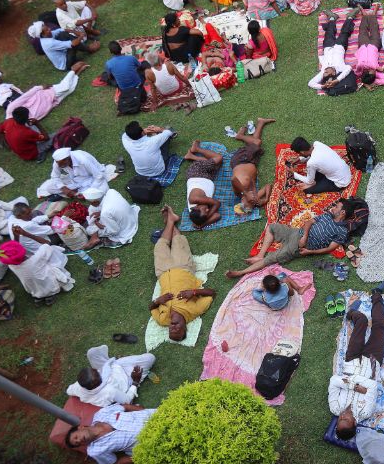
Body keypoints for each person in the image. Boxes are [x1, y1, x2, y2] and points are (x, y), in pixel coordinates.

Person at [329, 283, 384, 439]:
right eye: (346, 420)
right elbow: (372, 385)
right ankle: (377, 294)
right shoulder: (365, 412)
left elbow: (334, 381)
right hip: (372, 362)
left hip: (352, 360)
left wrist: (354, 386)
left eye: (339, 420)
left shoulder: (335, 408)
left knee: (361, 320)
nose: (342, 416)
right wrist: (353, 384)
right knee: (379, 327)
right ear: (354, 423)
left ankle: (350, 314)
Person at [227, 201, 351, 277]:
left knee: (271, 258)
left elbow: (329, 248)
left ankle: (241, 272)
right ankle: (260, 255)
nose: (333, 207)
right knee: (272, 227)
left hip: (298, 247)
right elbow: (308, 222)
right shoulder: (327, 215)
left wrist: (310, 252)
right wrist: (305, 235)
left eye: (337, 207)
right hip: (296, 232)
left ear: (343, 212)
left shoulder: (342, 231)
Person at [149, 206, 216, 341]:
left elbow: (151, 308)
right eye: (177, 331)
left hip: (162, 273)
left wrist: (158, 301)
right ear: (185, 327)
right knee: (178, 242)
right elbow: (212, 293)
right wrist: (194, 292)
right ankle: (170, 221)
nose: (172, 329)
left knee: (160, 245)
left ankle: (170, 220)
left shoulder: (163, 320)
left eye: (170, 332)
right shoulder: (195, 311)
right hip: (183, 268)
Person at [65, 403, 157, 464]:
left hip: (154, 416)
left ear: (80, 427)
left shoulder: (101, 414)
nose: (79, 440)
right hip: (152, 440)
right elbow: (115, 462)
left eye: (76, 437)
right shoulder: (95, 451)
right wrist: (139, 457)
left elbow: (124, 407)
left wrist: (142, 410)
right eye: (78, 443)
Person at [66, 345, 156, 407]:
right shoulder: (109, 392)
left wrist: (106, 368)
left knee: (91, 352)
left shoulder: (78, 387)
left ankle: (113, 361)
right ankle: (118, 362)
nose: (97, 371)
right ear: (94, 384)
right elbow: (127, 400)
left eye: (94, 370)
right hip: (127, 378)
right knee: (150, 358)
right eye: (97, 373)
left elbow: (69, 390)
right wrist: (135, 381)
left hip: (111, 368)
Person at [4, 62, 86, 123]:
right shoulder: (20, 123)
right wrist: (54, 104)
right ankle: (77, 73)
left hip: (43, 95)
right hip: (52, 102)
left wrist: (40, 87)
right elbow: (40, 116)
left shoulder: (10, 109)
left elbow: (25, 96)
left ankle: (73, 69)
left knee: (65, 87)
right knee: (70, 89)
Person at [0, 239, 74, 304]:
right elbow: (46, 244)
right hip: (49, 284)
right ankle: (50, 294)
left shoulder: (12, 266)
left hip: (33, 289)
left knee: (36, 279)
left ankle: (41, 297)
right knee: (52, 251)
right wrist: (26, 234)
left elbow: (14, 255)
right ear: (22, 250)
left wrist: (16, 237)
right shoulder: (35, 259)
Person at [230, 117, 275, 214]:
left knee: (257, 143)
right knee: (256, 143)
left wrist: (245, 193)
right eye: (253, 204)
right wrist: (266, 199)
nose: (253, 201)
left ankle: (240, 136)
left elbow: (233, 179)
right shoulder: (255, 197)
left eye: (250, 203)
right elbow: (268, 186)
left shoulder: (238, 192)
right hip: (252, 162)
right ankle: (261, 122)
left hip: (241, 160)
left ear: (242, 201)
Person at [308, 9, 358, 92]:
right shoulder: (341, 68)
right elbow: (349, 68)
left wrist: (323, 86)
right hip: (340, 45)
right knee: (345, 32)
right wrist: (337, 80)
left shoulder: (324, 69)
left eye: (324, 72)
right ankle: (350, 17)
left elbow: (310, 83)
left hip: (328, 47)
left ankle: (332, 18)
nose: (324, 71)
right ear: (334, 73)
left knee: (329, 33)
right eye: (327, 72)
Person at [37, 148, 111, 199]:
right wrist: (64, 188)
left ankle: (82, 192)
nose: (59, 166)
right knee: (50, 188)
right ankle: (76, 192)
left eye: (62, 164)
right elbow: (54, 176)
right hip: (76, 180)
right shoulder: (58, 161)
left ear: (68, 158)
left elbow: (99, 176)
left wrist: (90, 190)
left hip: (91, 178)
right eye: (58, 164)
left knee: (103, 189)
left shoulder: (82, 160)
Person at [288, 137, 352, 194]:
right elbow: (311, 155)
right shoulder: (317, 144)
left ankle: (315, 183)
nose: (299, 155)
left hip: (340, 182)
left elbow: (309, 181)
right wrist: (299, 159)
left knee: (306, 190)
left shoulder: (311, 162)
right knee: (314, 170)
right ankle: (316, 181)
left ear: (302, 152)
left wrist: (294, 174)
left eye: (299, 154)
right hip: (344, 171)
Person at [30, 21, 100, 71]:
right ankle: (89, 50)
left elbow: (63, 30)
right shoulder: (49, 43)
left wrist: (76, 32)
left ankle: (78, 61)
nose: (50, 29)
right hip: (65, 64)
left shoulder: (47, 35)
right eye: (47, 30)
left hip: (64, 55)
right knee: (72, 44)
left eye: (48, 28)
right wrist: (81, 36)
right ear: (43, 35)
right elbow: (73, 43)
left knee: (63, 34)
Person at [184, 140, 223, 229]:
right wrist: (202, 224)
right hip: (208, 177)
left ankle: (197, 149)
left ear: (195, 208)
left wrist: (206, 217)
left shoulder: (194, 199)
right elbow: (217, 215)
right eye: (207, 211)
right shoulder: (197, 215)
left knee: (219, 158)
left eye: (205, 210)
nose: (208, 210)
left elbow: (217, 203)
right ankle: (191, 156)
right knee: (217, 164)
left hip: (197, 173)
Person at [353, 11, 384, 89]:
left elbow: (358, 68)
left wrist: (364, 83)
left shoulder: (360, 68)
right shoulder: (375, 71)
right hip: (374, 45)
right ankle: (373, 15)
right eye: (375, 74)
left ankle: (365, 16)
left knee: (362, 30)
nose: (375, 72)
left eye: (373, 73)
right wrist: (374, 81)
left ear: (366, 72)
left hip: (363, 45)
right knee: (375, 30)